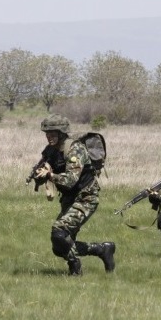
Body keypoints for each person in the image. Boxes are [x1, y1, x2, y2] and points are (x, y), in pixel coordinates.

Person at [32, 114, 115, 275]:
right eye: (47, 133)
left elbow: (70, 180)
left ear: (62, 133)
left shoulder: (75, 149)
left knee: (59, 231)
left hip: (86, 198)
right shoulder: (50, 151)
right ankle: (102, 249)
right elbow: (43, 171)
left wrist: (50, 175)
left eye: (53, 133)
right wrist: (39, 175)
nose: (49, 137)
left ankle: (75, 270)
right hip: (69, 199)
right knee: (59, 246)